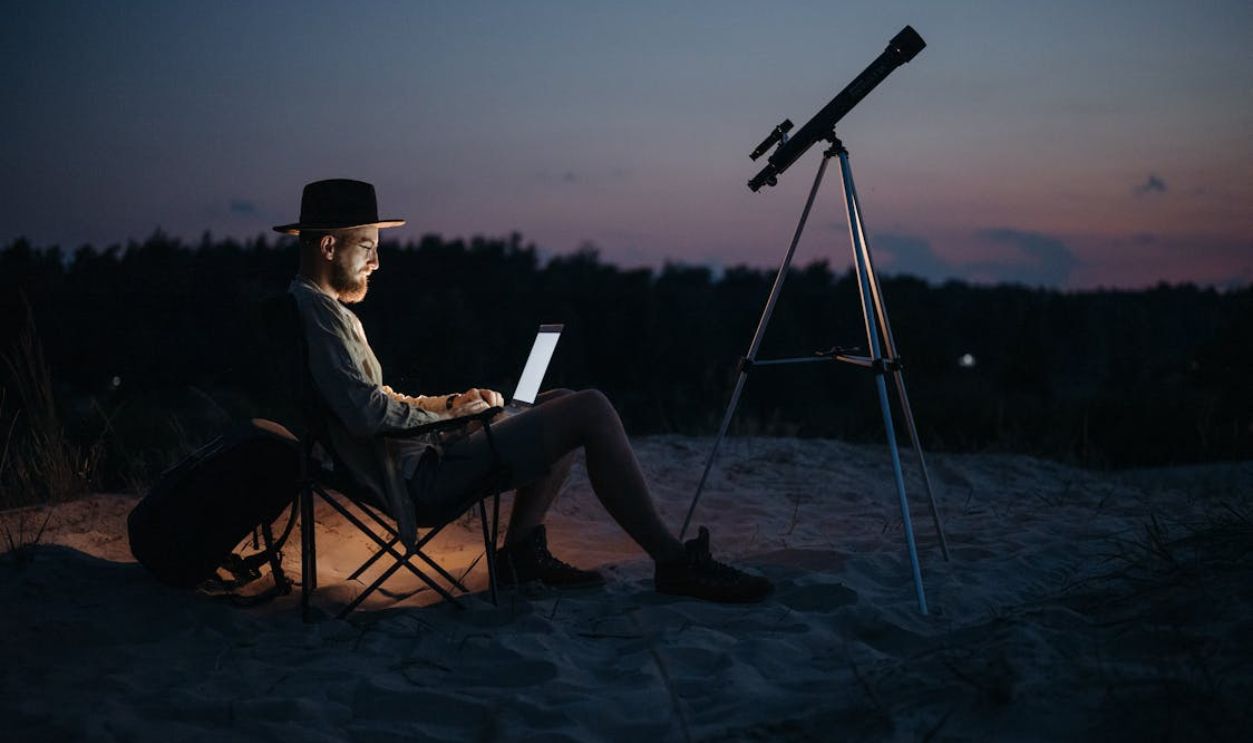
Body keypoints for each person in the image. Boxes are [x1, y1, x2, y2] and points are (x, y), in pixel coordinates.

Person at [277, 179, 771, 603]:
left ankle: (519, 555)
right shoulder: (318, 316)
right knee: (591, 409)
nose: (377, 262)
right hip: (416, 481)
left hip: (420, 458)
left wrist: (453, 406)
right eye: (367, 246)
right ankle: (673, 560)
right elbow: (366, 416)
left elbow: (374, 400)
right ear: (328, 247)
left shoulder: (321, 309)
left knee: (557, 398)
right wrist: (452, 422)